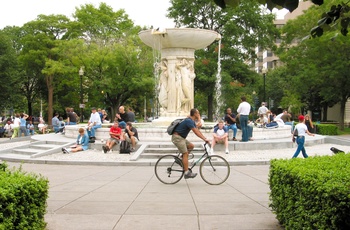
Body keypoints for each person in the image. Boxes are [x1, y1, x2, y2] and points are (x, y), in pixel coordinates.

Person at [171, 108, 210, 179]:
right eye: (198, 113)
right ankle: (186, 172)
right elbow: (196, 132)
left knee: (191, 146)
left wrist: (199, 120)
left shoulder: (190, 121)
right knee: (185, 153)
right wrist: (205, 139)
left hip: (181, 138)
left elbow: (196, 128)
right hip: (177, 137)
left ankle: (180, 159)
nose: (199, 114)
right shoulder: (189, 121)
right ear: (194, 114)